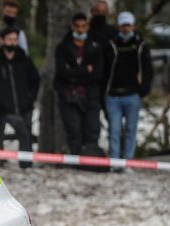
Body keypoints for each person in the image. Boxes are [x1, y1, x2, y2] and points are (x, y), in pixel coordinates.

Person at [103, 12, 152, 161]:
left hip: (132, 95)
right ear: (119, 26)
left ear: (133, 26)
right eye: (123, 25)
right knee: (115, 130)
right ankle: (114, 160)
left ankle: (128, 160)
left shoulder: (140, 45)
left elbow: (147, 69)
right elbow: (105, 69)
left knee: (131, 130)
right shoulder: (111, 45)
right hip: (113, 95)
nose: (126, 28)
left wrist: (143, 89)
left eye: (128, 25)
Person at [54, 13, 104, 155]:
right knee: (73, 129)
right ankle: (76, 159)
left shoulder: (95, 46)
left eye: (83, 26)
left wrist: (74, 73)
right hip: (69, 96)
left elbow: (97, 74)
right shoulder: (63, 47)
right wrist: (85, 70)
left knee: (92, 128)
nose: (80, 30)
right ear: (72, 26)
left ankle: (90, 158)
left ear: (88, 27)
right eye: (77, 26)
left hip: (90, 95)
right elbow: (62, 72)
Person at [0, 27, 40, 168]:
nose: (12, 42)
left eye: (15, 40)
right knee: (18, 131)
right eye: (9, 39)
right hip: (5, 108)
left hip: (25, 106)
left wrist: (31, 97)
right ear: (2, 40)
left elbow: (35, 79)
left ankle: (26, 163)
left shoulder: (24, 59)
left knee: (26, 134)